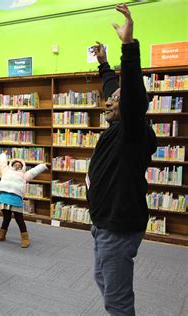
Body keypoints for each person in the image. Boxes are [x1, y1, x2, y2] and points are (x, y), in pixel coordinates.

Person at [87, 5, 157, 316]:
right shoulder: (119, 124)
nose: (108, 101)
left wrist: (128, 48)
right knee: (102, 278)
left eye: (116, 100)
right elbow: (115, 88)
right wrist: (103, 64)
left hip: (117, 227)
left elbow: (129, 96)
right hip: (103, 224)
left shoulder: (133, 131)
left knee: (117, 302)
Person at [0, 151, 47, 247]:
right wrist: (3, 155)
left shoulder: (24, 175)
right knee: (6, 218)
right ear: (11, 165)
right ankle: (1, 235)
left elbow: (34, 171)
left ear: (23, 167)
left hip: (15, 198)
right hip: (4, 197)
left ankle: (25, 238)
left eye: (19, 165)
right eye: (15, 164)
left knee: (19, 219)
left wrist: (43, 166)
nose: (17, 165)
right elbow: (2, 163)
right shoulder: (6, 170)